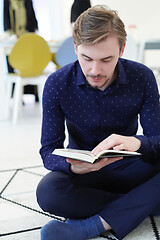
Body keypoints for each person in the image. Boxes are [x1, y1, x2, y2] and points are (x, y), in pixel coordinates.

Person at [36, 5, 160, 240]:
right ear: (75, 49)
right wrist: (74, 166)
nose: (95, 70)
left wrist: (136, 142)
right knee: (48, 192)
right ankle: (142, 203)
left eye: (106, 59)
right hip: (84, 174)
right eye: (86, 58)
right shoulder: (57, 83)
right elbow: (48, 151)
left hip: (131, 168)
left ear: (122, 49)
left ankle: (92, 225)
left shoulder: (142, 77)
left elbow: (158, 138)